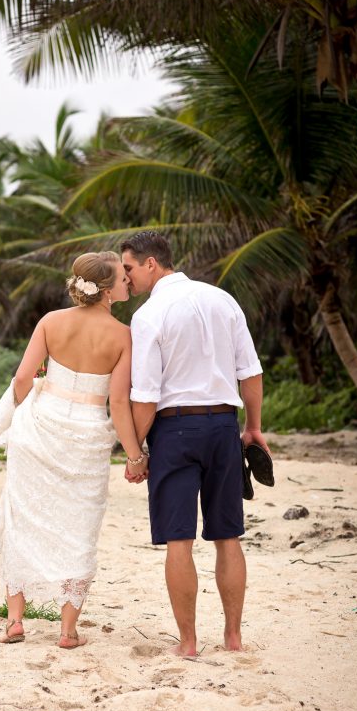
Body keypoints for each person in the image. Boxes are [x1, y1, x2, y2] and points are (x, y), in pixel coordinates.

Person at [0, 251, 147, 649]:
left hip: (41, 428)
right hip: (88, 435)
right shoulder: (123, 336)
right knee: (80, 527)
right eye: (122, 278)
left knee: (23, 517)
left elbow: (24, 377)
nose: (128, 281)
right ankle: (67, 630)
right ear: (107, 290)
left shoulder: (51, 322)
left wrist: (21, 416)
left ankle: (14, 622)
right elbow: (119, 403)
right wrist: (134, 456)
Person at [121, 231, 269, 656]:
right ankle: (233, 638)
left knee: (179, 540)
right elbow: (251, 374)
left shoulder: (150, 315)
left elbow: (145, 396)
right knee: (229, 536)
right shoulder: (222, 299)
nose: (126, 278)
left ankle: (188, 643)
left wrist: (136, 453)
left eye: (129, 268)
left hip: (175, 429)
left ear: (152, 264)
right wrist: (253, 427)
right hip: (224, 426)